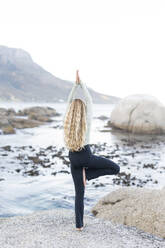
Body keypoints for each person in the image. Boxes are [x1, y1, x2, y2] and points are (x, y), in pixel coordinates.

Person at [63, 70, 120, 231]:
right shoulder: (86, 123)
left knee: (79, 194)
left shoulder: (66, 122)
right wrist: (82, 84)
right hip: (86, 157)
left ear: (70, 112)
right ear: (83, 111)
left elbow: (69, 102)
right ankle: (87, 175)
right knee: (115, 168)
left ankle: (79, 226)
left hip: (73, 159)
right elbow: (89, 100)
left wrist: (75, 86)